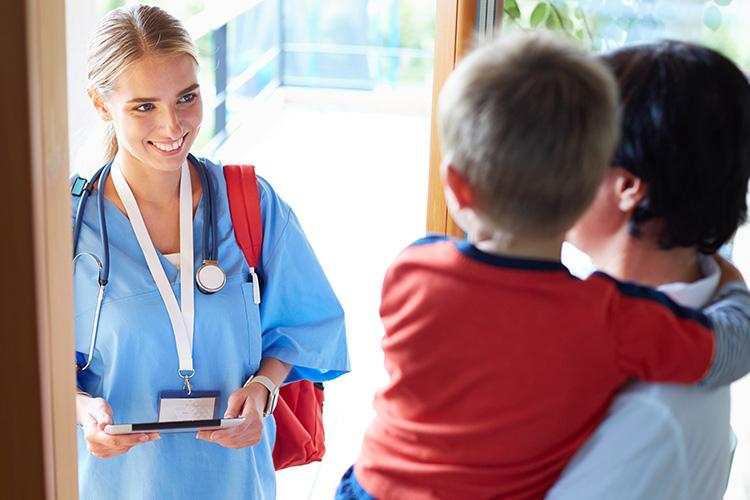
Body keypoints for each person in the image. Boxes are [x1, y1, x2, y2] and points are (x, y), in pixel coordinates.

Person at [336, 33, 750, 499]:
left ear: (627, 186)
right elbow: (732, 345)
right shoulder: (612, 321)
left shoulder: (414, 267)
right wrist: (730, 284)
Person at [71, 5, 349, 499]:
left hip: (235, 481)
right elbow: (27, 363)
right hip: (115, 484)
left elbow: (308, 327)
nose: (173, 125)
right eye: (143, 107)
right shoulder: (69, 226)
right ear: (100, 104)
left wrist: (263, 392)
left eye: (187, 97)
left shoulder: (250, 202)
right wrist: (80, 409)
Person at [548, 40, 750, 500]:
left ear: (627, 186)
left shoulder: (646, 407)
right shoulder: (704, 327)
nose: (550, 169)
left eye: (570, 151)